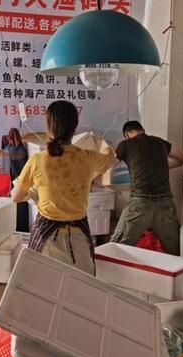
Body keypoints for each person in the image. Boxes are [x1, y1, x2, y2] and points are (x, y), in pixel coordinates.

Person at [11, 101, 116, 275]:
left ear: (48, 127)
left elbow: (15, 197)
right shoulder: (87, 158)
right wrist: (102, 142)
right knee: (80, 290)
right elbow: (111, 157)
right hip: (79, 239)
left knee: (43, 290)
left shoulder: (38, 160)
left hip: (47, 239)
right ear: (74, 127)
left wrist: (34, 192)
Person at [110, 121, 183, 256]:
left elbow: (107, 161)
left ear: (127, 135)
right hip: (165, 204)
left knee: (116, 248)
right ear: (143, 130)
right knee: (175, 251)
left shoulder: (126, 145)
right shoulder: (160, 143)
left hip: (140, 203)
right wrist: (163, 166)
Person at [0, 128, 29, 232]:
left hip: (17, 182)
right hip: (17, 181)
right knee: (17, 205)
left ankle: (18, 228)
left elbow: (12, 155)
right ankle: (18, 227)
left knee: (18, 206)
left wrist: (1, 152)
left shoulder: (16, 150)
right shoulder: (16, 148)